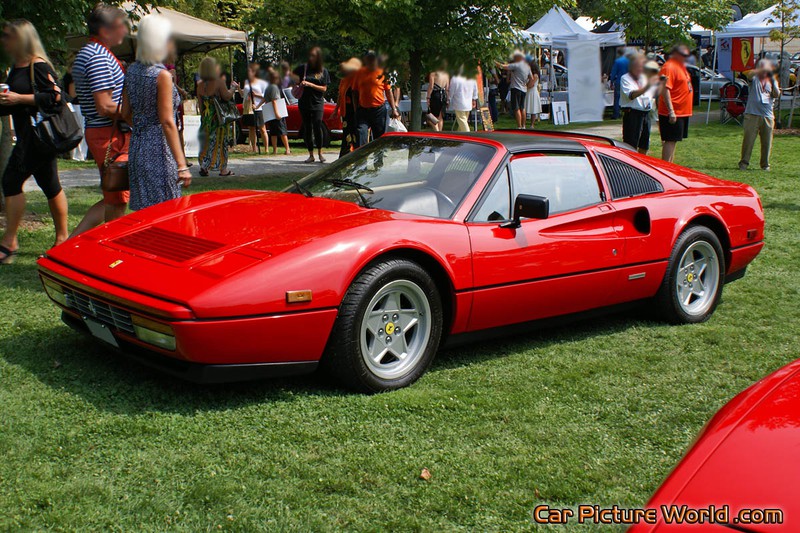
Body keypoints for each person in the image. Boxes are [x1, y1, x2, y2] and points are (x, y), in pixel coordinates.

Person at [0, 20, 68, 264]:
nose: (4, 40)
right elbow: (14, 103)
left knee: (10, 181)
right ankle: (62, 239)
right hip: (31, 137)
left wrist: (20, 98)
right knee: (51, 185)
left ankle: (9, 242)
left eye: (8, 36)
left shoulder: (37, 65)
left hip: (37, 137)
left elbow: (56, 98)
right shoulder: (15, 67)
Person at [121, 15, 191, 211]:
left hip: (137, 146)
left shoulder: (132, 71)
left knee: (143, 212)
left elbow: (125, 112)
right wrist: (182, 164)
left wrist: (142, 126)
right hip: (160, 150)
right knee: (166, 211)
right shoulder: (162, 76)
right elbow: (167, 122)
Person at [71, 3, 130, 236]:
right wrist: (138, 112)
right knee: (116, 200)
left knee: (114, 197)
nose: (125, 32)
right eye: (121, 27)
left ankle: (67, 245)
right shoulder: (97, 56)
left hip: (105, 132)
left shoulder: (92, 52)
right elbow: (104, 105)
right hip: (109, 134)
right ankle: (108, 249)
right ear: (105, 30)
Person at [196, 56, 237, 176]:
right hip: (218, 118)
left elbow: (200, 105)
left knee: (206, 142)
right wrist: (233, 88)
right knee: (220, 142)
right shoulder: (219, 82)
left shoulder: (199, 85)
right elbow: (227, 96)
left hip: (206, 118)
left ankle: (204, 166)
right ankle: (223, 169)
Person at [739, 59, 781, 171]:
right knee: (748, 140)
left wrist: (772, 80)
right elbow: (749, 75)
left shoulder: (773, 81)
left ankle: (765, 165)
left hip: (767, 115)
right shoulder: (755, 78)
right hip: (752, 114)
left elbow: (776, 94)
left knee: (767, 142)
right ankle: (744, 163)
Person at [353, 51, 400, 147]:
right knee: (361, 135)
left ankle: (378, 161)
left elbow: (388, 91)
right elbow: (354, 92)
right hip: (363, 111)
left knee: (379, 139)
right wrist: (356, 109)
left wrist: (394, 109)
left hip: (378, 111)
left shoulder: (382, 73)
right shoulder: (359, 73)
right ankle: (363, 160)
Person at [293, 47, 330, 163]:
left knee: (317, 126)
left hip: (318, 103)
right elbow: (293, 80)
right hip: (304, 102)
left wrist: (310, 84)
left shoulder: (323, 71)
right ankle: (310, 155)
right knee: (307, 128)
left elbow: (324, 88)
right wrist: (297, 83)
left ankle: (320, 153)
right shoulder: (302, 69)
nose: (310, 58)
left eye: (313, 55)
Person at [658, 44, 694, 163]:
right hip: (673, 111)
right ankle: (666, 168)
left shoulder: (680, 67)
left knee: (674, 140)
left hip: (681, 112)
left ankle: (670, 167)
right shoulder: (669, 67)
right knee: (669, 140)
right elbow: (665, 89)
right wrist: (671, 111)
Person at [620, 56, 662, 155]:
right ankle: (629, 166)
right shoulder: (626, 78)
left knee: (644, 144)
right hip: (632, 113)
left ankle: (641, 166)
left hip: (645, 113)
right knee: (631, 145)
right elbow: (632, 95)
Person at [333, 57, 361, 156]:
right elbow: (340, 96)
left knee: (354, 134)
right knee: (346, 134)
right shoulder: (343, 80)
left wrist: (357, 112)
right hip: (346, 112)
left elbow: (356, 96)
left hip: (353, 111)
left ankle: (354, 154)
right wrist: (336, 110)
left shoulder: (355, 79)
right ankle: (345, 155)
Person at [497, 52, 531, 129]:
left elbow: (502, 66)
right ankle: (524, 125)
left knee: (516, 108)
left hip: (516, 88)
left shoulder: (516, 65)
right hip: (523, 89)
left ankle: (519, 126)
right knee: (522, 107)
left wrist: (494, 62)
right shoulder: (527, 66)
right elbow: (531, 78)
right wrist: (527, 85)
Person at [241, 62, 270, 153]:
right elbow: (244, 95)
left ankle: (266, 149)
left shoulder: (262, 83)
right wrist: (238, 88)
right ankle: (254, 148)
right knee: (251, 128)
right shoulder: (246, 82)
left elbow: (266, 97)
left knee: (262, 128)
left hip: (259, 108)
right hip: (249, 108)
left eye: (250, 71)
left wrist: (256, 95)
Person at [264, 69, 291, 155]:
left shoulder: (267, 87)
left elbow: (265, 100)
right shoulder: (274, 87)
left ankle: (274, 150)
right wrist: (277, 114)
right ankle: (287, 149)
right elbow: (274, 101)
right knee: (282, 131)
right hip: (277, 112)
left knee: (273, 133)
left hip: (270, 113)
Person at [610, 48, 630, 120]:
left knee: (617, 98)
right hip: (627, 81)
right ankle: (626, 112)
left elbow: (614, 72)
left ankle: (616, 114)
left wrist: (611, 81)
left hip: (619, 81)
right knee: (627, 97)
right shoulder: (628, 61)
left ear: (618, 53)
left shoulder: (617, 61)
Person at [524, 58, 541, 129]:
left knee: (533, 109)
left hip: (532, 92)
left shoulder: (535, 76)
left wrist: (526, 85)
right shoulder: (530, 75)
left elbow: (531, 85)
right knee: (526, 108)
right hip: (529, 92)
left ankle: (532, 125)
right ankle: (524, 124)